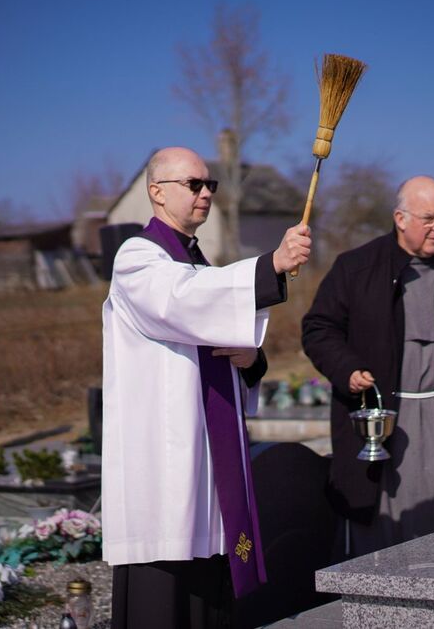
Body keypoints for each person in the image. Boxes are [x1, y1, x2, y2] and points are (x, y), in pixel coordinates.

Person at [102, 146, 311, 628]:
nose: (205, 193)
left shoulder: (198, 265)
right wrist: (271, 264)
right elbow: (181, 302)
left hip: (204, 466)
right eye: (192, 184)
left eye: (209, 184)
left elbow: (214, 327)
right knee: (166, 600)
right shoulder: (138, 259)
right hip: (165, 466)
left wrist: (251, 357)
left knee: (211, 597)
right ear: (156, 192)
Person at [301, 175, 434, 557]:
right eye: (429, 218)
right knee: (382, 529)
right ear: (400, 218)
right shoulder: (356, 267)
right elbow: (318, 328)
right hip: (383, 420)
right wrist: (347, 369)